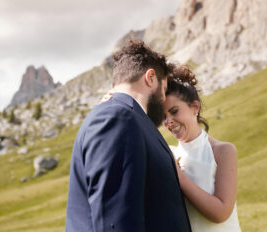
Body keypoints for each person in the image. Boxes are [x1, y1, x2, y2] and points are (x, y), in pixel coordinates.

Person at [66, 40, 192, 232]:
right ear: (150, 78)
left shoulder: (128, 118)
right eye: (164, 89)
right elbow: (115, 221)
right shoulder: (118, 119)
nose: (164, 99)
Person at [163, 66, 241, 232]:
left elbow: (221, 213)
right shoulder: (168, 153)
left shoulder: (223, 151)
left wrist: (179, 176)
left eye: (174, 111)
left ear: (195, 108)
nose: (168, 122)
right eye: (163, 117)